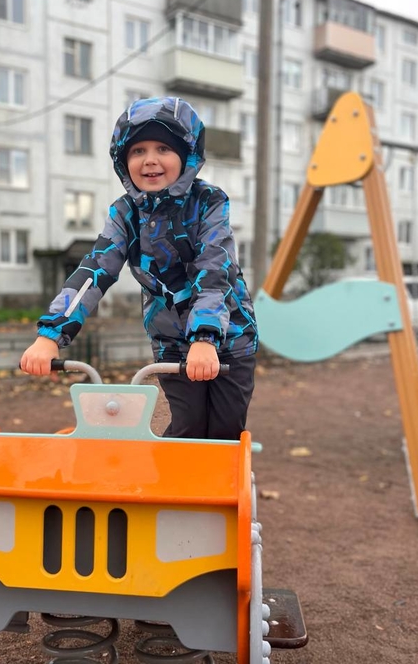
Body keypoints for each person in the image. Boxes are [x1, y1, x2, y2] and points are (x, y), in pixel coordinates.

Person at [20, 96, 257, 440]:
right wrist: (50, 336)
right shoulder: (125, 213)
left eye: (163, 148)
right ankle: (171, 490)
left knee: (224, 431)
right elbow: (95, 269)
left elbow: (213, 268)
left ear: (187, 156)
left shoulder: (209, 202)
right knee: (189, 426)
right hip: (173, 341)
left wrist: (205, 337)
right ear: (122, 160)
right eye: (137, 151)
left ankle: (219, 489)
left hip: (229, 336)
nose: (150, 161)